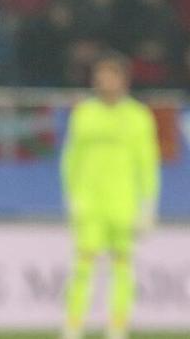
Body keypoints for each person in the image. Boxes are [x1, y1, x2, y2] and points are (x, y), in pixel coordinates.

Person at [61, 53, 161, 339]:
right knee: (82, 267)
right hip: (89, 204)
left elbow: (148, 163)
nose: (105, 82)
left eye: (111, 76)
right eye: (100, 76)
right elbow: (71, 158)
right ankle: (73, 326)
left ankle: (117, 328)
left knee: (122, 268)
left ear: (123, 80)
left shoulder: (138, 116)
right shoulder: (84, 113)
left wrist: (149, 203)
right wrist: (70, 195)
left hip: (124, 204)